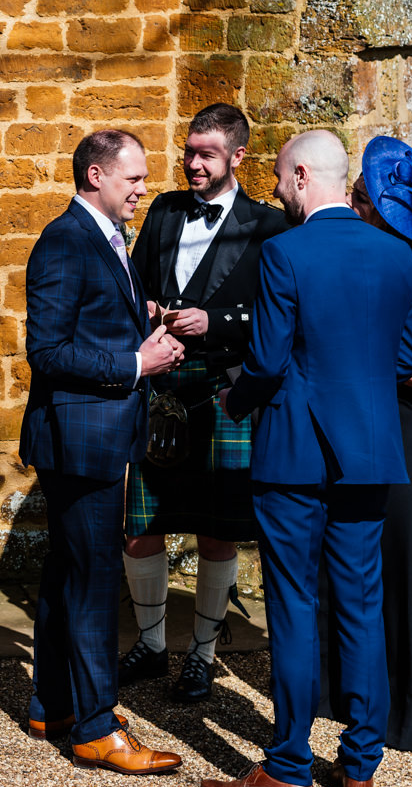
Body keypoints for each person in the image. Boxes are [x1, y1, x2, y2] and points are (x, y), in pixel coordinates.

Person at [203, 130, 412, 787]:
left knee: (294, 608)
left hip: (294, 455)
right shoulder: (396, 254)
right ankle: (359, 766)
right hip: (370, 453)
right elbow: (407, 360)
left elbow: (266, 362)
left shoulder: (285, 251)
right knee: (359, 605)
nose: (274, 191)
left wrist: (233, 401)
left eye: (277, 178)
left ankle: (290, 766)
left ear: (302, 175)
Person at [20, 129, 186, 775]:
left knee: (69, 571)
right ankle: (94, 728)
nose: (143, 190)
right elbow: (48, 351)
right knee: (92, 580)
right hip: (79, 439)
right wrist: (135, 361)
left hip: (93, 434)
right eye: (133, 179)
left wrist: (135, 317)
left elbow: (86, 317)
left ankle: (53, 704)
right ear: (95, 175)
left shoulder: (104, 237)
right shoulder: (65, 239)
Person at [121, 103, 289, 699]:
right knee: (143, 526)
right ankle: (151, 643)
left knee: (217, 530)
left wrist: (214, 320)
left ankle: (204, 654)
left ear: (238, 156)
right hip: (159, 384)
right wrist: (141, 309)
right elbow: (136, 282)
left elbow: (277, 317)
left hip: (221, 391)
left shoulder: (268, 227)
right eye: (189, 151)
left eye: (206, 154)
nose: (193, 163)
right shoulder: (164, 210)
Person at [351, 136, 412, 753]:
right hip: (362, 419)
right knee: (354, 563)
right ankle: (347, 696)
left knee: (406, 567)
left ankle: (408, 716)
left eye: (361, 193)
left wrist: (352, 351)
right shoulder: (364, 256)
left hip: (407, 427)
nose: (353, 199)